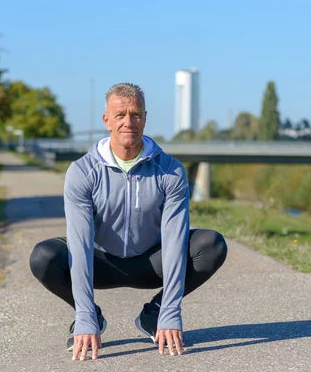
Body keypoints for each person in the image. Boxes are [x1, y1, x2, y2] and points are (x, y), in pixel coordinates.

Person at [29, 82, 228, 361]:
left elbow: (174, 241)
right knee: (44, 256)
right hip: (103, 262)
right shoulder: (83, 171)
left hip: (150, 262)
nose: (128, 122)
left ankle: (154, 316)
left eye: (135, 114)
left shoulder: (170, 170)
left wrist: (170, 312)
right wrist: (85, 315)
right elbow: (80, 244)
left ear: (145, 118)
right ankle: (92, 318)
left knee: (211, 244)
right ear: (106, 120)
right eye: (120, 115)